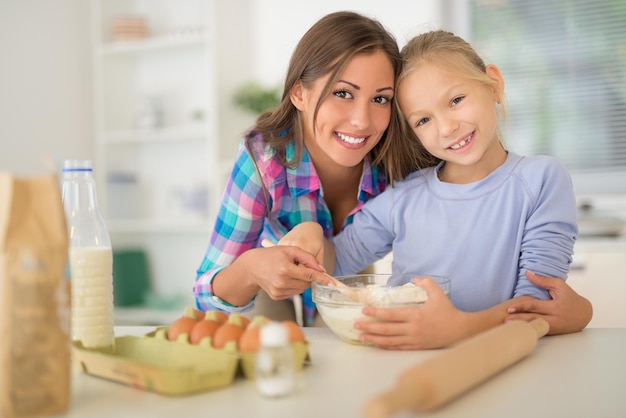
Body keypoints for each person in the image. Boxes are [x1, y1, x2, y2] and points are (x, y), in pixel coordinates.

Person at [279, 29, 591, 348]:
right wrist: (312, 233)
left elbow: (538, 303)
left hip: (498, 358)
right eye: (423, 121)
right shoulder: (403, 196)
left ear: (493, 84)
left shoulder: (541, 180)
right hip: (403, 357)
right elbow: (339, 260)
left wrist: (461, 328)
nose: (447, 127)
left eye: (456, 100)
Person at [193, 11, 431, 326]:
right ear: (298, 93)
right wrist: (252, 268)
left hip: (347, 271)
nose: (362, 121)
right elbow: (206, 295)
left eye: (380, 99)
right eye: (343, 93)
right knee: (271, 339)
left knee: (343, 350)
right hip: (270, 267)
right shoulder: (263, 159)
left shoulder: (399, 161)